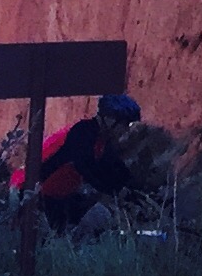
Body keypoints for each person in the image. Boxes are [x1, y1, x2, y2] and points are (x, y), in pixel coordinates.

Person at [22, 93, 143, 232]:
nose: (126, 130)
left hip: (67, 197)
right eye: (126, 124)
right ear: (110, 119)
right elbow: (86, 167)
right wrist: (113, 191)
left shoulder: (102, 139)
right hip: (47, 197)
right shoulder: (83, 132)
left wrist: (134, 188)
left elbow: (113, 166)